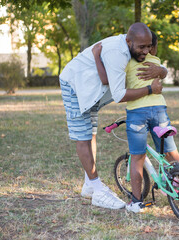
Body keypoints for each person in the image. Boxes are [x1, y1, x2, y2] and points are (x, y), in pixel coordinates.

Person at [59, 23, 167, 210]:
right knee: (82, 137)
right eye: (142, 47)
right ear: (129, 42)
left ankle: (89, 185)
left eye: (149, 46)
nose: (146, 51)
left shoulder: (133, 48)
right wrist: (150, 89)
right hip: (75, 84)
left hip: (93, 90)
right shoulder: (118, 53)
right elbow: (119, 95)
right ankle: (96, 188)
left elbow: (108, 79)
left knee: (91, 134)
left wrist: (161, 71)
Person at [92, 31, 179, 213]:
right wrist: (162, 71)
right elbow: (164, 72)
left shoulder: (127, 61)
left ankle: (136, 202)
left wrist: (97, 56)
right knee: (171, 152)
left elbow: (106, 80)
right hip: (159, 111)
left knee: (137, 157)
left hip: (137, 113)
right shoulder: (156, 62)